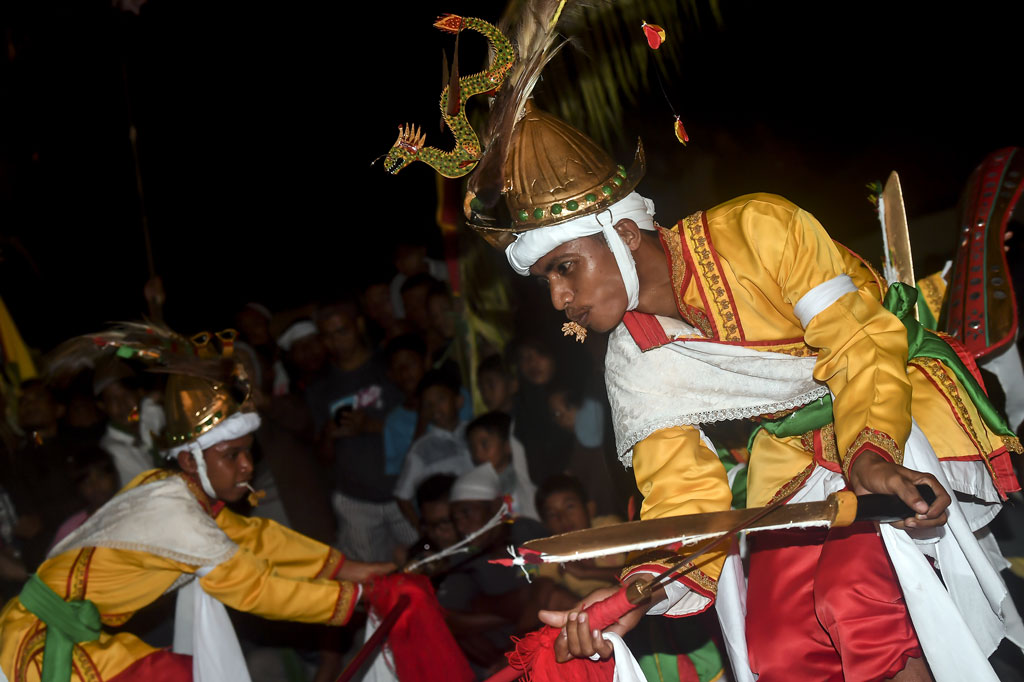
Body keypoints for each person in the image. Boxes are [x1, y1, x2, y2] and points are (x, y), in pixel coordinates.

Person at [391, 14, 1024, 677]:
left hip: (892, 412)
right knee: (780, 649)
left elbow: (861, 349)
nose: (557, 299)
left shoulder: (760, 226)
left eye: (563, 268)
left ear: (623, 235)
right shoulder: (633, 361)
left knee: (852, 602)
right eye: (546, 280)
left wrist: (871, 455)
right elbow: (683, 502)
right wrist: (633, 592)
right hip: (792, 467)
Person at [0, 325, 393, 682]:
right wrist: (358, 598)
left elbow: (258, 539)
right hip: (38, 641)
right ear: (190, 460)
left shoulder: (172, 491)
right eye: (232, 455)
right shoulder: (177, 515)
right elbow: (253, 589)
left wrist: (351, 569)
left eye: (248, 452)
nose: (247, 466)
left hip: (63, 631)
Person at [307, 302, 417, 563]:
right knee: (373, 580)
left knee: (426, 563)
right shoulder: (320, 388)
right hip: (355, 502)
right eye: (327, 336)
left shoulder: (389, 367)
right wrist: (329, 435)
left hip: (404, 493)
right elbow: (323, 458)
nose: (336, 342)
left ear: (358, 326)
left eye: (342, 331)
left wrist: (370, 426)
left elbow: (419, 425)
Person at [393, 370, 473, 526]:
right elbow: (402, 496)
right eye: (428, 404)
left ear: (459, 401)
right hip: (449, 527)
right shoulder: (421, 450)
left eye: (441, 399)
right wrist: (423, 530)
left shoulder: (474, 433)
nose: (435, 408)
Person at [465, 411, 538, 520]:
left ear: (508, 445)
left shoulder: (527, 478)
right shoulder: (476, 491)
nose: (477, 454)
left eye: (484, 444)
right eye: (473, 448)